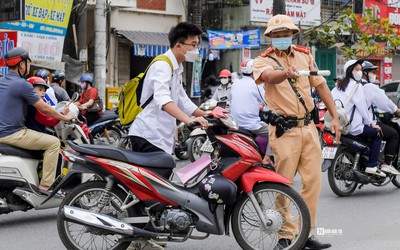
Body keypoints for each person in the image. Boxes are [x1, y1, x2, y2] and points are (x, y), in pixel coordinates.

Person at [253, 15, 340, 250]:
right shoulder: (263, 60)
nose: (282, 38)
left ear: (292, 34)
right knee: (284, 185)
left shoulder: (304, 54)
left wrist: (334, 117)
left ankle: (307, 233)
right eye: (277, 35)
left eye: (286, 34)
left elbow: (320, 85)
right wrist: (285, 74)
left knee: (313, 182)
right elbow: (268, 77)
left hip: (309, 128)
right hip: (284, 132)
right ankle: (285, 234)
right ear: (270, 37)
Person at [127, 21, 209, 250]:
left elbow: (182, 99)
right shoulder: (162, 65)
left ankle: (148, 235)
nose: (196, 50)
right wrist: (189, 120)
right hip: (147, 135)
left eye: (197, 45)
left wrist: (208, 114)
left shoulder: (176, 67)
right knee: (151, 189)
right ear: (178, 45)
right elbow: (164, 100)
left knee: (158, 186)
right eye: (193, 45)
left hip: (160, 137)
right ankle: (140, 238)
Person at [0, 47, 74, 194]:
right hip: (13, 133)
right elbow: (45, 109)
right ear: (21, 64)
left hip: (4, 132)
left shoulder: (2, 82)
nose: (28, 66)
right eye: (27, 63)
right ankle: (46, 185)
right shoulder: (23, 85)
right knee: (54, 143)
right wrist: (65, 117)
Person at [332, 59, 385, 177]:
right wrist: (371, 123)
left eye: (361, 70)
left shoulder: (338, 85)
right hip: (353, 127)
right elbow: (362, 108)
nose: (360, 72)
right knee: (377, 134)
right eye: (357, 69)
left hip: (339, 125)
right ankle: (372, 165)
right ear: (350, 71)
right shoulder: (357, 86)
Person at [230, 59, 273, 165]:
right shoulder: (256, 85)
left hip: (234, 124)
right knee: (274, 132)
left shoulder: (235, 83)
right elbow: (269, 101)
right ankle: (267, 157)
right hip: (251, 125)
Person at [361, 61, 400, 175]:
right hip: (367, 123)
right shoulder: (369, 87)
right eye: (372, 72)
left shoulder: (351, 86)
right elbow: (385, 103)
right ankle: (387, 164)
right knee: (394, 134)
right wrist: (396, 110)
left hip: (352, 123)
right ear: (364, 73)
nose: (374, 74)